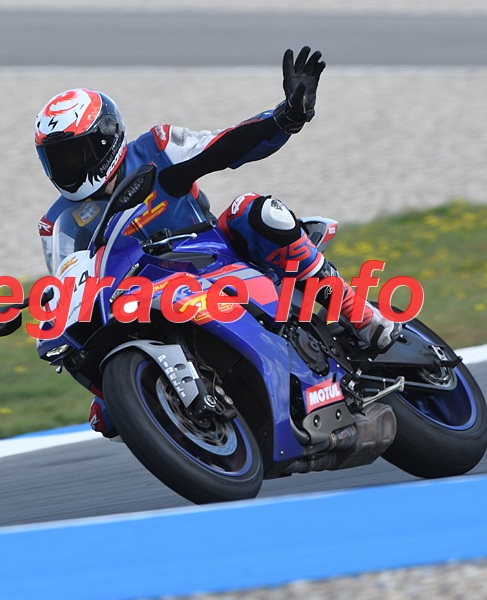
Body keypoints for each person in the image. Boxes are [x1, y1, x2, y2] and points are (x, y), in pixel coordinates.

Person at [34, 46, 399, 438]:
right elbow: (70, 282)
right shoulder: (57, 224)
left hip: (214, 256)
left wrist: (285, 117)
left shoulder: (156, 149)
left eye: (76, 154)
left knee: (255, 210)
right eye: (58, 159)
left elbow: (225, 145)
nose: (69, 167)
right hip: (139, 298)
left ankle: (357, 313)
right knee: (107, 415)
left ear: (107, 140)